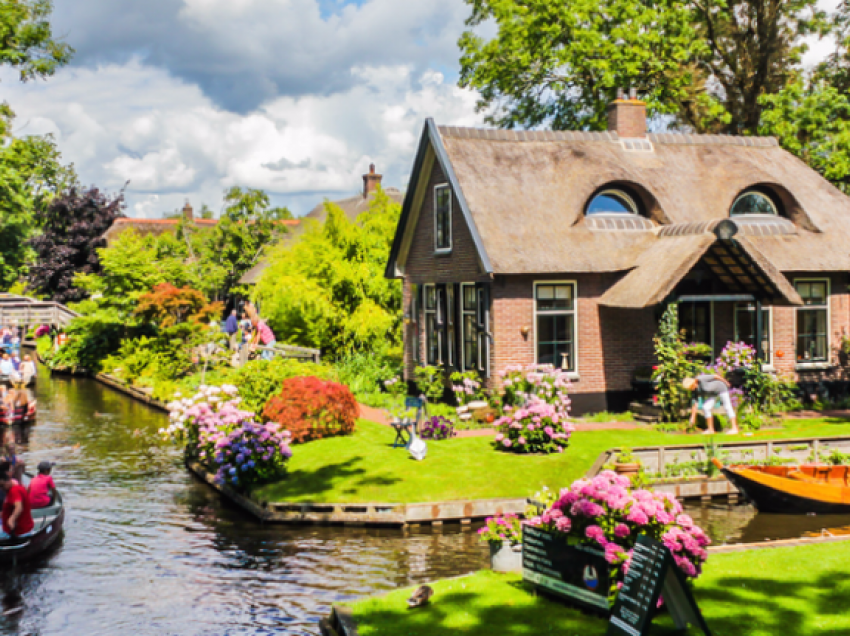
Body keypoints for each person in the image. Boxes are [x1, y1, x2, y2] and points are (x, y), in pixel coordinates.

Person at [0, 466, 33, 537]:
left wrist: (12, 519)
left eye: (2, 486)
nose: (1, 489)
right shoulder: (13, 489)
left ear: (8, 480)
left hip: (18, 532)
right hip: (13, 530)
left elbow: (19, 507)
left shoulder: (14, 491)